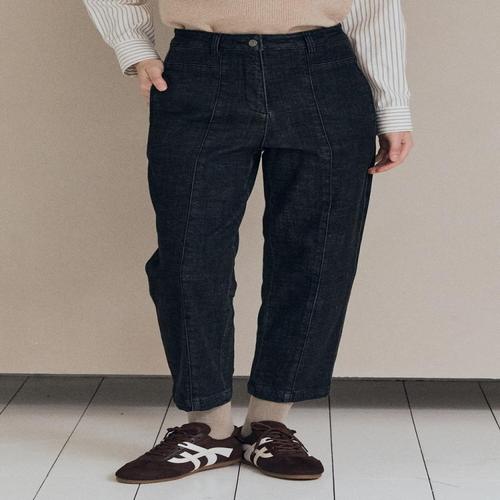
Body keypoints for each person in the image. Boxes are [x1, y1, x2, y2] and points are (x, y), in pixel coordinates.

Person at [83, 0, 414, 483]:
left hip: (324, 71)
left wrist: (393, 106)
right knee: (188, 257)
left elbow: (375, 7)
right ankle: (209, 428)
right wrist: (134, 46)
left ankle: (270, 423)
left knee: (318, 255)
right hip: (200, 67)